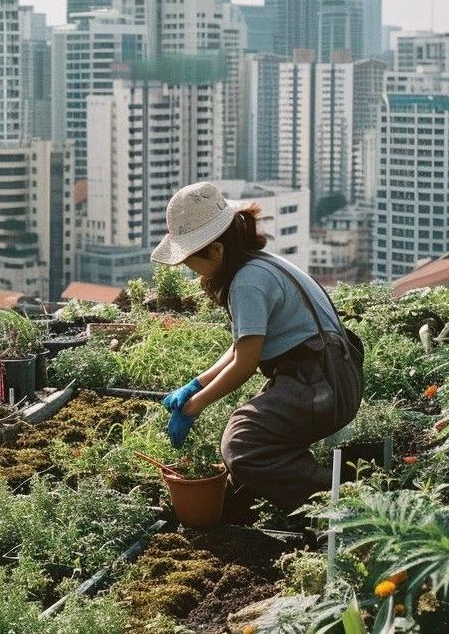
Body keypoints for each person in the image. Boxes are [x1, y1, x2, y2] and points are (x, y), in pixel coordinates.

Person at [150, 182, 363, 512]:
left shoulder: (247, 282)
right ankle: (245, 498)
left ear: (217, 251)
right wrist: (197, 384)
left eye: (193, 264)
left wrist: (193, 408)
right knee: (253, 438)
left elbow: (246, 364)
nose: (194, 274)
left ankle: (338, 503)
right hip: (328, 376)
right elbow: (242, 345)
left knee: (242, 442)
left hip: (321, 385)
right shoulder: (257, 264)